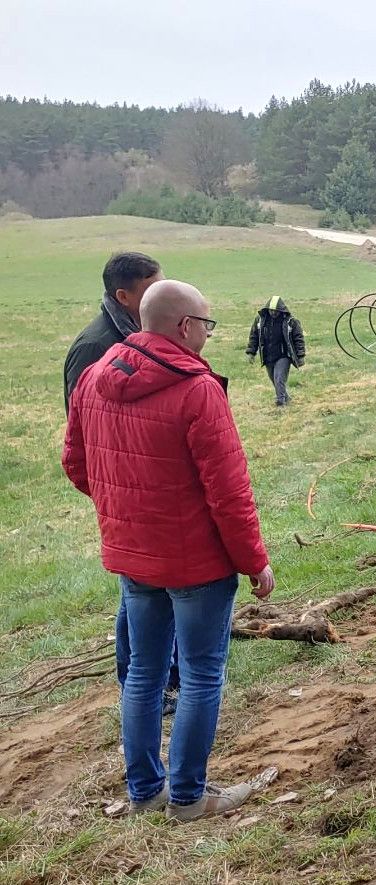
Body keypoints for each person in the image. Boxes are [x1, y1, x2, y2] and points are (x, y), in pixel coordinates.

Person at [63, 279, 275, 820]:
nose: (208, 332)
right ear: (185, 327)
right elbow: (230, 493)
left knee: (143, 672)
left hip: (133, 556)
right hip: (195, 563)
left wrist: (127, 510)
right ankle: (186, 797)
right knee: (202, 673)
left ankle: (144, 792)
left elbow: (76, 464)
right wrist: (254, 561)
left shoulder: (92, 377)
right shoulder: (196, 389)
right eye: (207, 323)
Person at [62, 252, 180, 710]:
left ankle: (162, 678)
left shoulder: (141, 333)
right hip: (127, 497)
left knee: (153, 587)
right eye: (152, 287)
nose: (161, 294)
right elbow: (83, 434)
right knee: (140, 593)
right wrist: (118, 493)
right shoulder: (95, 348)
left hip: (152, 493)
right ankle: (139, 683)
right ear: (124, 295)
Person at [245, 296, 306, 407]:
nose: (273, 313)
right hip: (268, 356)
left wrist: (300, 355)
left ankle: (280, 403)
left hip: (283, 355)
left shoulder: (290, 321)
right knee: (274, 380)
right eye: (271, 310)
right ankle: (286, 398)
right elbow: (254, 336)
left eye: (276, 311)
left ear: (281, 310)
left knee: (279, 379)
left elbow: (298, 338)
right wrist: (251, 352)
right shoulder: (260, 320)